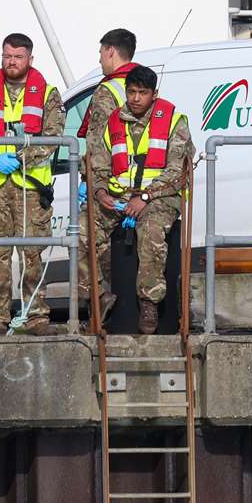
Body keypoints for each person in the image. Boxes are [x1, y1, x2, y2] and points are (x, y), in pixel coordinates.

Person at [0, 33, 65, 336]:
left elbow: (53, 136)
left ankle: (36, 317)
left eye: (18, 56)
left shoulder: (48, 93)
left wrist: (22, 157)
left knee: (32, 255)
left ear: (30, 59)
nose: (11, 62)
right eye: (7, 55)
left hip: (31, 186)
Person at [83, 65, 193, 335]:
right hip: (117, 198)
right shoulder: (113, 122)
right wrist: (100, 193)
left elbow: (177, 171)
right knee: (81, 230)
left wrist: (145, 197)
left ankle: (149, 301)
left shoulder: (173, 121)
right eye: (131, 92)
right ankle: (99, 297)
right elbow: (98, 165)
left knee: (151, 231)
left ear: (154, 95)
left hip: (159, 198)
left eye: (142, 93)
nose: (135, 98)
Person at [75, 28, 139, 321]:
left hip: (112, 185)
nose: (100, 59)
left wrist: (92, 183)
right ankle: (119, 309)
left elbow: (98, 144)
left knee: (81, 237)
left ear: (111, 51)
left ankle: (100, 301)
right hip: (141, 186)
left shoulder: (108, 90)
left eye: (101, 52)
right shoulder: (145, 84)